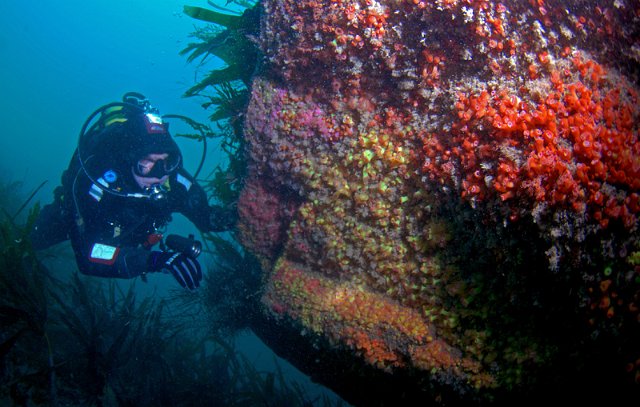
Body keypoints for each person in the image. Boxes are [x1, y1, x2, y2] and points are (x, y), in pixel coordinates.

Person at [30, 92, 236, 290]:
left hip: (134, 238)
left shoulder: (174, 179)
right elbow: (90, 254)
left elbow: (206, 216)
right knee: (33, 240)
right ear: (129, 161)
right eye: (146, 163)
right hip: (82, 224)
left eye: (166, 161)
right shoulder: (100, 185)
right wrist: (153, 260)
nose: (159, 174)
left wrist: (239, 215)